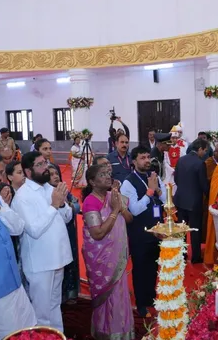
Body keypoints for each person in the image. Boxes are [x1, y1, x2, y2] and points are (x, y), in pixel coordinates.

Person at [11, 151, 72, 332]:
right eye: (40, 165)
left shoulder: (49, 189)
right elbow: (34, 230)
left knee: (55, 306)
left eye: (45, 162)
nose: (46, 167)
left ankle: (57, 335)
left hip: (58, 258)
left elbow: (67, 217)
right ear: (28, 172)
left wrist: (61, 204)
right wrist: (53, 205)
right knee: (41, 313)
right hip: (40, 263)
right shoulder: (23, 197)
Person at [0, 152, 36, 340]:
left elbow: (17, 227)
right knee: (3, 334)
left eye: (1, 172)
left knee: (28, 327)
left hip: (13, 279)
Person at [81, 164, 134, 339]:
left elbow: (129, 219)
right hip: (101, 260)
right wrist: (115, 210)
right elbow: (97, 233)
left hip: (116, 257)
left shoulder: (113, 196)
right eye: (102, 174)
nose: (107, 177)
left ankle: (122, 331)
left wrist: (120, 206)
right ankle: (105, 332)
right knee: (107, 297)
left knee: (119, 294)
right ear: (92, 181)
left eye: (108, 174)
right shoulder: (90, 201)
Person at [120, 145, 166, 317]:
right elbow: (134, 210)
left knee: (154, 266)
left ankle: (150, 296)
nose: (147, 160)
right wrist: (149, 192)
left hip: (156, 230)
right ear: (133, 161)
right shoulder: (128, 182)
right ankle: (141, 304)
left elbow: (167, 200)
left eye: (148, 157)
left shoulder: (153, 176)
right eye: (142, 158)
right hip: (139, 232)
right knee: (140, 268)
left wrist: (158, 190)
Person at [173, 138, 210, 263]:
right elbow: (204, 185)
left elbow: (176, 179)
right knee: (195, 231)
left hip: (180, 200)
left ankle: (182, 255)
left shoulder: (181, 160)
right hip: (194, 202)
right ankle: (195, 257)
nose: (205, 153)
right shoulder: (200, 163)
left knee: (181, 230)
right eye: (204, 151)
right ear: (199, 149)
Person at [48, 165, 80, 304]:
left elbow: (77, 205)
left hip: (68, 230)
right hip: (55, 234)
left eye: (56, 173)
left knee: (70, 260)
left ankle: (70, 293)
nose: (55, 176)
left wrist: (70, 206)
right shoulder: (46, 193)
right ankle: (58, 295)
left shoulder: (64, 191)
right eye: (51, 174)